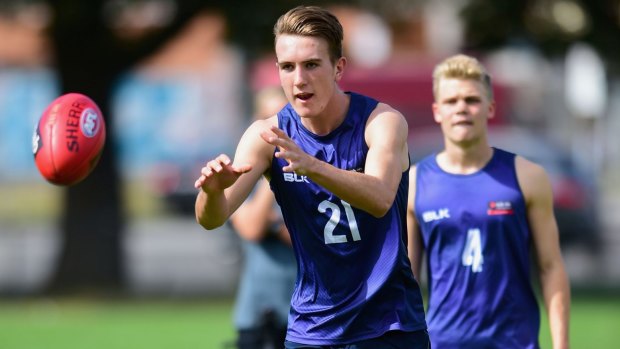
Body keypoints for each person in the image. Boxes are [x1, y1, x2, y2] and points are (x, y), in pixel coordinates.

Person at [195, 5, 428, 348]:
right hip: (312, 330)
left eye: (312, 64)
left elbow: (380, 198)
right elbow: (212, 219)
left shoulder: (381, 122)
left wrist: (313, 166)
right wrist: (213, 192)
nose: (299, 79)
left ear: (338, 67)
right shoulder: (266, 135)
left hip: (389, 325)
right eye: (288, 67)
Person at [407, 54, 570, 348]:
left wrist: (561, 344)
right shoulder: (415, 183)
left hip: (514, 342)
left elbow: (550, 266)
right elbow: (407, 280)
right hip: (443, 342)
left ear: (490, 108)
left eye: (471, 100)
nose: (461, 109)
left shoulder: (528, 176)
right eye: (451, 101)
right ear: (437, 111)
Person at [230, 86, 296, 349]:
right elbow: (252, 229)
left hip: (304, 316)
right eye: (267, 118)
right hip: (256, 314)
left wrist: (276, 224)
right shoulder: (245, 174)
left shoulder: (312, 173)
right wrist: (272, 174)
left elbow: (320, 237)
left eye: (282, 118)